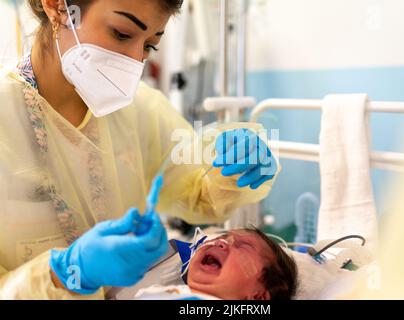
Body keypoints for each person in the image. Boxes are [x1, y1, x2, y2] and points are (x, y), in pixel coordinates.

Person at [0, 0, 279, 299]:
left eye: (149, 46)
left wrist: (234, 170)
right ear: (57, 7)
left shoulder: (138, 111)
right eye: (122, 33)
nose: (135, 60)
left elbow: (199, 190)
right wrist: (66, 273)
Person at [123, 228, 298, 300]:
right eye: (222, 238)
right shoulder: (155, 291)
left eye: (243, 246)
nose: (220, 243)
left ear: (258, 297)